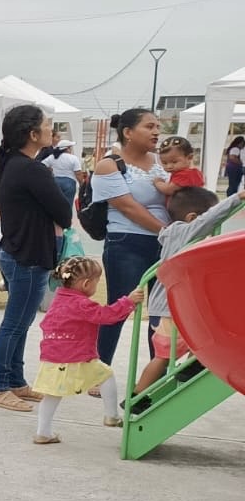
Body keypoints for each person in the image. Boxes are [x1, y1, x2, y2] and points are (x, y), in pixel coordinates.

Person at [0, 104, 73, 413]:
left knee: (20, 323)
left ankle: (15, 380)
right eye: (47, 125)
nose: (52, 130)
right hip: (28, 256)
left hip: (17, 252)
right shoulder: (31, 169)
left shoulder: (11, 163)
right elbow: (64, 213)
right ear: (33, 134)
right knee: (14, 324)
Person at [134, 186, 245, 394]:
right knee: (165, 355)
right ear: (192, 218)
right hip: (170, 305)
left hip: (169, 303)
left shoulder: (173, 235)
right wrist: (237, 197)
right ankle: (138, 395)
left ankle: (191, 366)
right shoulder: (183, 232)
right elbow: (211, 218)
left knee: (200, 334)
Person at [92, 108, 176, 375]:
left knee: (161, 312)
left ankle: (156, 376)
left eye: (158, 126)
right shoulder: (109, 165)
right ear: (128, 132)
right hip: (127, 243)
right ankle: (99, 372)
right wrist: (167, 231)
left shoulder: (163, 162)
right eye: (149, 126)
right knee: (119, 308)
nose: (156, 132)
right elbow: (127, 207)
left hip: (164, 244)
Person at [31, 256, 146, 444]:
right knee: (106, 375)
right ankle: (111, 415)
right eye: (96, 282)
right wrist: (129, 302)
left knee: (52, 394)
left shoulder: (59, 300)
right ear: (86, 284)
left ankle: (43, 432)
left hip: (51, 357)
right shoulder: (82, 304)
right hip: (76, 356)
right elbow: (106, 316)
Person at [42, 136, 82, 208]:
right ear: (67, 148)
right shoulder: (73, 158)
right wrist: (81, 184)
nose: (71, 149)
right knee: (67, 205)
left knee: (55, 204)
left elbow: (42, 165)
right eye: (70, 148)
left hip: (55, 182)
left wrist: (50, 170)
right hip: (69, 183)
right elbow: (78, 173)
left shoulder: (52, 157)